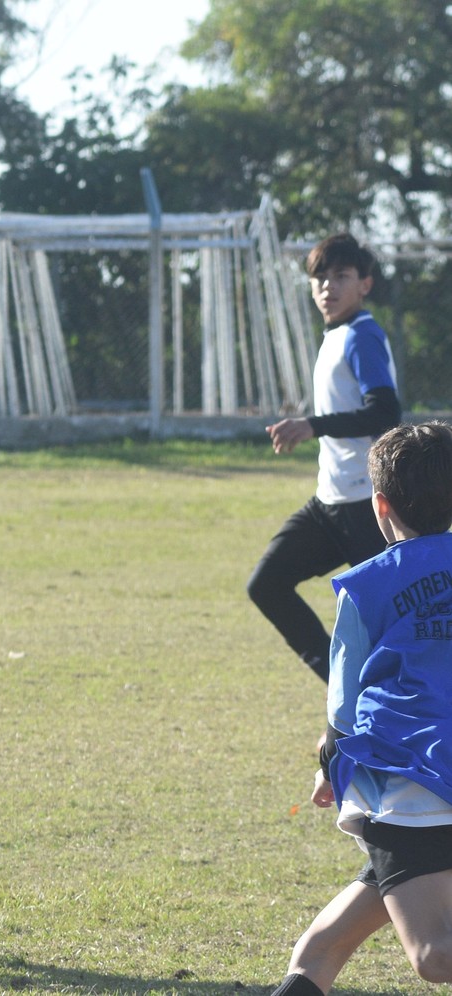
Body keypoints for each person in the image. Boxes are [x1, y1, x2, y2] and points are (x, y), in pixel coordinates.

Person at [269, 420, 452, 996]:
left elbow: (343, 705)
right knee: (320, 950)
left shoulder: (367, 587)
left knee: (433, 953)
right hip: (418, 788)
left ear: (379, 506)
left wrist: (332, 761)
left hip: (410, 788)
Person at [249, 233, 401, 682]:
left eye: (341, 276)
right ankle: (343, 690)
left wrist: (311, 424)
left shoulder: (362, 335)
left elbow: (385, 411)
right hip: (330, 504)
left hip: (367, 508)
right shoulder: (336, 335)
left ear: (365, 284)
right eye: (320, 278)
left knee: (395, 626)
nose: (328, 287)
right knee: (267, 585)